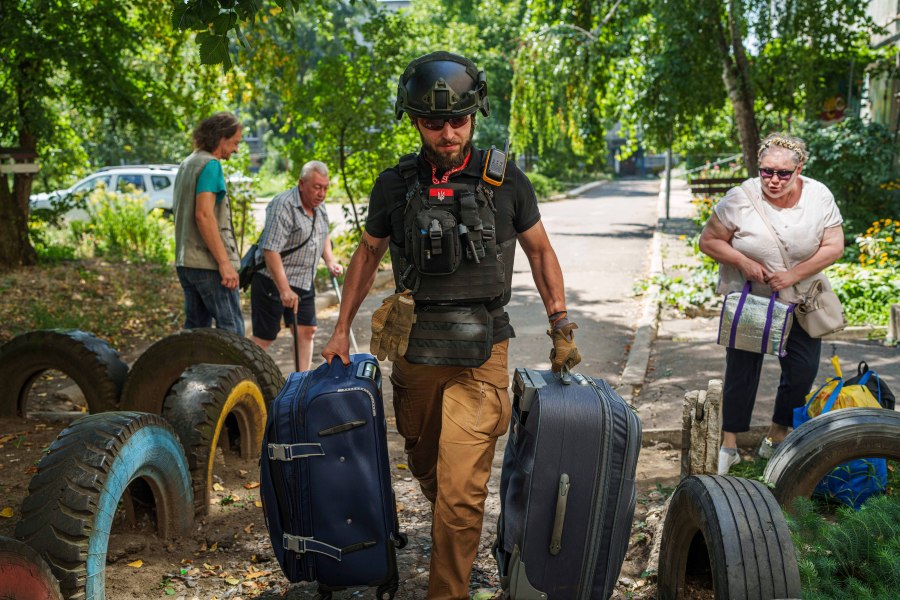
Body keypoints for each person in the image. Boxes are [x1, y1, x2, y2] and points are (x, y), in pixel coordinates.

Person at [321, 51, 581, 600]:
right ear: (414, 121)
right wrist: (340, 328)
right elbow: (368, 256)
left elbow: (539, 252)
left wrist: (561, 326)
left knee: (461, 493)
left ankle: (449, 591)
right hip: (415, 349)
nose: (447, 133)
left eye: (458, 121)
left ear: (475, 116)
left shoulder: (506, 179)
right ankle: (456, 541)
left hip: (482, 347)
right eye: (433, 122)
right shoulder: (394, 186)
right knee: (428, 466)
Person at [698, 133, 845, 475]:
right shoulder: (740, 198)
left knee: (802, 371)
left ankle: (776, 437)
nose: (773, 180)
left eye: (782, 173)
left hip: (800, 300)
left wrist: (794, 274)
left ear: (799, 169)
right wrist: (744, 263)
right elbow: (709, 240)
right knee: (741, 371)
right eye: (766, 172)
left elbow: (834, 246)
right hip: (752, 300)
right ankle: (729, 444)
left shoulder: (819, 196)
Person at [249, 161, 342, 371]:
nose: (322, 193)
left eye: (325, 188)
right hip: (272, 280)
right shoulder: (283, 205)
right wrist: (284, 290)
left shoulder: (319, 206)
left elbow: (322, 233)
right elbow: (270, 250)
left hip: (303, 280)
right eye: (317, 187)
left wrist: (330, 261)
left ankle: (301, 382)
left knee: (307, 330)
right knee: (265, 337)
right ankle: (243, 377)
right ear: (301, 184)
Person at [173, 112, 245, 335]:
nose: (236, 150)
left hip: (186, 263)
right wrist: (224, 263)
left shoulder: (188, 163)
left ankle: (191, 371)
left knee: (196, 335)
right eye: (234, 143)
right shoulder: (211, 165)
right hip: (209, 265)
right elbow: (203, 215)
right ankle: (233, 372)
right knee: (232, 334)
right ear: (221, 137)